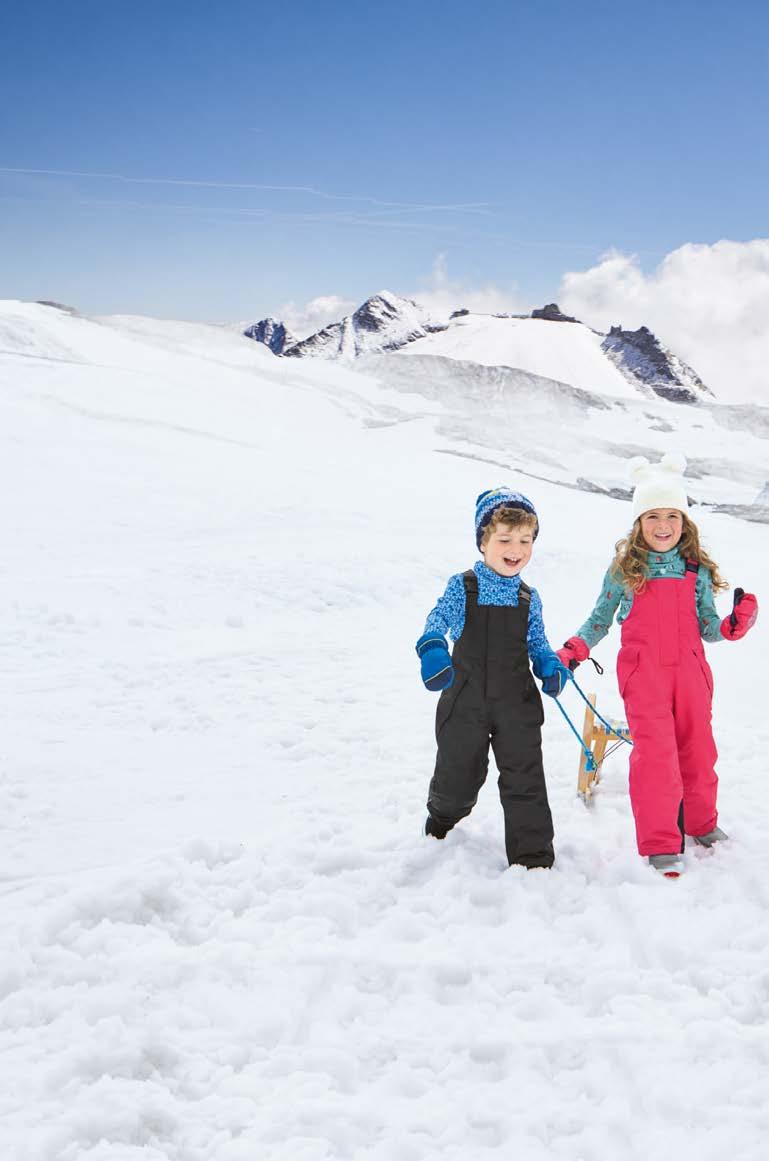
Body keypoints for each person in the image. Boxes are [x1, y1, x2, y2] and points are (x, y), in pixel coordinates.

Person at [557, 453, 758, 878]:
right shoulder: (625, 570)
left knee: (698, 752)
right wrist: (573, 650)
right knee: (656, 757)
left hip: (690, 673)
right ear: (638, 522)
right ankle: (662, 841)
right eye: (652, 515)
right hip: (643, 673)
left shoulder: (694, 569)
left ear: (684, 522)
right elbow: (599, 620)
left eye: (672, 515)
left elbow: (708, 625)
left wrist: (734, 625)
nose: (663, 525)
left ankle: (701, 824)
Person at [416, 488, 569, 869]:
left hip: (516, 701)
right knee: (459, 773)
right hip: (465, 697)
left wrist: (550, 666)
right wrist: (433, 648)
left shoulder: (528, 598)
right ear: (483, 541)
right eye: (504, 539)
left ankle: (533, 857)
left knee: (525, 776)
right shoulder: (463, 586)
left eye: (525, 540)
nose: (515, 548)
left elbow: (538, 643)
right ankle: (443, 817)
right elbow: (438, 620)